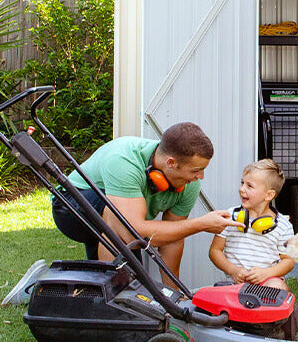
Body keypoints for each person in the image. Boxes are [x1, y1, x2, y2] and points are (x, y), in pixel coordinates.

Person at [51, 122, 242, 289]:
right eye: (196, 170)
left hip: (114, 219)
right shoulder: (124, 161)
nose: (200, 177)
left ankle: (74, 283)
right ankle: (114, 298)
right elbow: (132, 232)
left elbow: (174, 238)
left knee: (117, 263)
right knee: (118, 220)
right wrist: (200, 224)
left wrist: (174, 295)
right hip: (70, 207)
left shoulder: (190, 182)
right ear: (171, 163)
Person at [208, 159, 296, 291]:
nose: (241, 189)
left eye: (249, 186)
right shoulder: (230, 217)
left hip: (267, 281)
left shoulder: (283, 226)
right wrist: (233, 270)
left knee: (278, 287)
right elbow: (215, 251)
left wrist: (266, 273)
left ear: (269, 195)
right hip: (235, 282)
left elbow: (289, 261)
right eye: (242, 183)